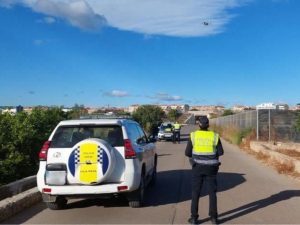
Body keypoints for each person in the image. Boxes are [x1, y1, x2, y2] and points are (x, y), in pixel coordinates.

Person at [185, 116, 224, 225]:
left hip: (197, 167)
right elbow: (220, 152)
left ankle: (193, 218)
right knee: (212, 193)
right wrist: (211, 157)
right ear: (208, 125)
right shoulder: (215, 136)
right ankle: (214, 218)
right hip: (211, 168)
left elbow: (187, 153)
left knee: (195, 192)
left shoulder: (193, 135)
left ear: (199, 125)